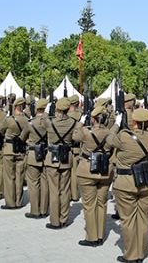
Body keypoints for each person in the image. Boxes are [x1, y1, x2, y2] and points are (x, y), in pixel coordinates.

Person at [110, 107, 148, 262]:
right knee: (143, 218)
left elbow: (109, 139)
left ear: (134, 121)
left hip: (126, 183)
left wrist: (117, 124)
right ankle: (141, 251)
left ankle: (132, 254)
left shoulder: (124, 136)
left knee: (128, 220)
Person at [73, 105, 114, 247]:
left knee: (89, 205)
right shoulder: (109, 133)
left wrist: (80, 122)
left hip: (87, 171)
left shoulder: (85, 131)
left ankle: (92, 237)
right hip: (104, 171)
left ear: (94, 118)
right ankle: (100, 235)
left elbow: (74, 136)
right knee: (102, 203)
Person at [45, 97, 80, 229]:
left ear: (57, 109)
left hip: (52, 157)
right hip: (66, 156)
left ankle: (55, 220)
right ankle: (64, 218)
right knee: (65, 190)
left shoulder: (50, 123)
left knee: (54, 190)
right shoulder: (73, 123)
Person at [1, 97, 30, 209]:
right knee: (20, 176)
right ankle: (19, 201)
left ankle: (10, 202)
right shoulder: (27, 120)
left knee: (9, 177)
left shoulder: (9, 119)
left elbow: (0, 129)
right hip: (21, 149)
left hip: (9, 149)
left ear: (15, 107)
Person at [25, 98, 50, 219]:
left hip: (33, 154)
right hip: (46, 153)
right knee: (45, 182)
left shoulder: (31, 122)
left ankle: (35, 210)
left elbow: (22, 136)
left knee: (33, 183)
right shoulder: (50, 122)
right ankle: (44, 209)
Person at [68, 94, 82, 202]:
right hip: (79, 146)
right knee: (75, 172)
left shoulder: (68, 115)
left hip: (70, 146)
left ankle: (71, 194)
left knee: (70, 173)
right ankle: (75, 194)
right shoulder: (82, 114)